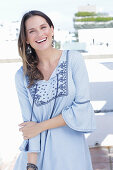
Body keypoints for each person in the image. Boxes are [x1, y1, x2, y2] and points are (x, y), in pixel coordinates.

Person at [14, 10, 96, 170]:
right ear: (26, 39)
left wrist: (40, 126)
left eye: (43, 27)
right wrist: (31, 165)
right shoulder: (21, 75)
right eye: (32, 31)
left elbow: (82, 109)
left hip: (71, 152)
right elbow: (29, 126)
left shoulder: (74, 59)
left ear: (52, 29)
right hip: (38, 155)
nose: (39, 34)